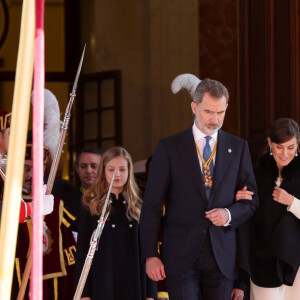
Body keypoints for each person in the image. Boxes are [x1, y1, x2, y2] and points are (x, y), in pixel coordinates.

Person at [139, 74, 259, 300]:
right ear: (194, 107)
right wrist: (149, 255)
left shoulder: (238, 147)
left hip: (223, 257)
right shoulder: (169, 148)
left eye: (220, 112)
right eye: (208, 111)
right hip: (181, 257)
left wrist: (229, 213)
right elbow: (152, 205)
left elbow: (251, 202)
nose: (215, 119)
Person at [75, 146, 156, 300]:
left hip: (135, 283)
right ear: (103, 172)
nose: (117, 174)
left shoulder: (140, 206)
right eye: (111, 169)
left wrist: (150, 295)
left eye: (122, 169)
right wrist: (84, 294)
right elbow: (82, 254)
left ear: (129, 171)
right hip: (102, 283)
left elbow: (149, 253)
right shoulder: (91, 207)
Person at [232, 118, 300, 300]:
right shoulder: (254, 174)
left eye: (291, 147)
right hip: (262, 261)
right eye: (279, 147)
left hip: (297, 263)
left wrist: (292, 202)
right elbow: (246, 218)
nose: (285, 153)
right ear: (270, 143)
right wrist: (239, 200)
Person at [11, 137, 77, 300]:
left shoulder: (56, 204)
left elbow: (71, 255)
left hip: (51, 289)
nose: (31, 175)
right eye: (25, 168)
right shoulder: (6, 204)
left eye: (37, 168)